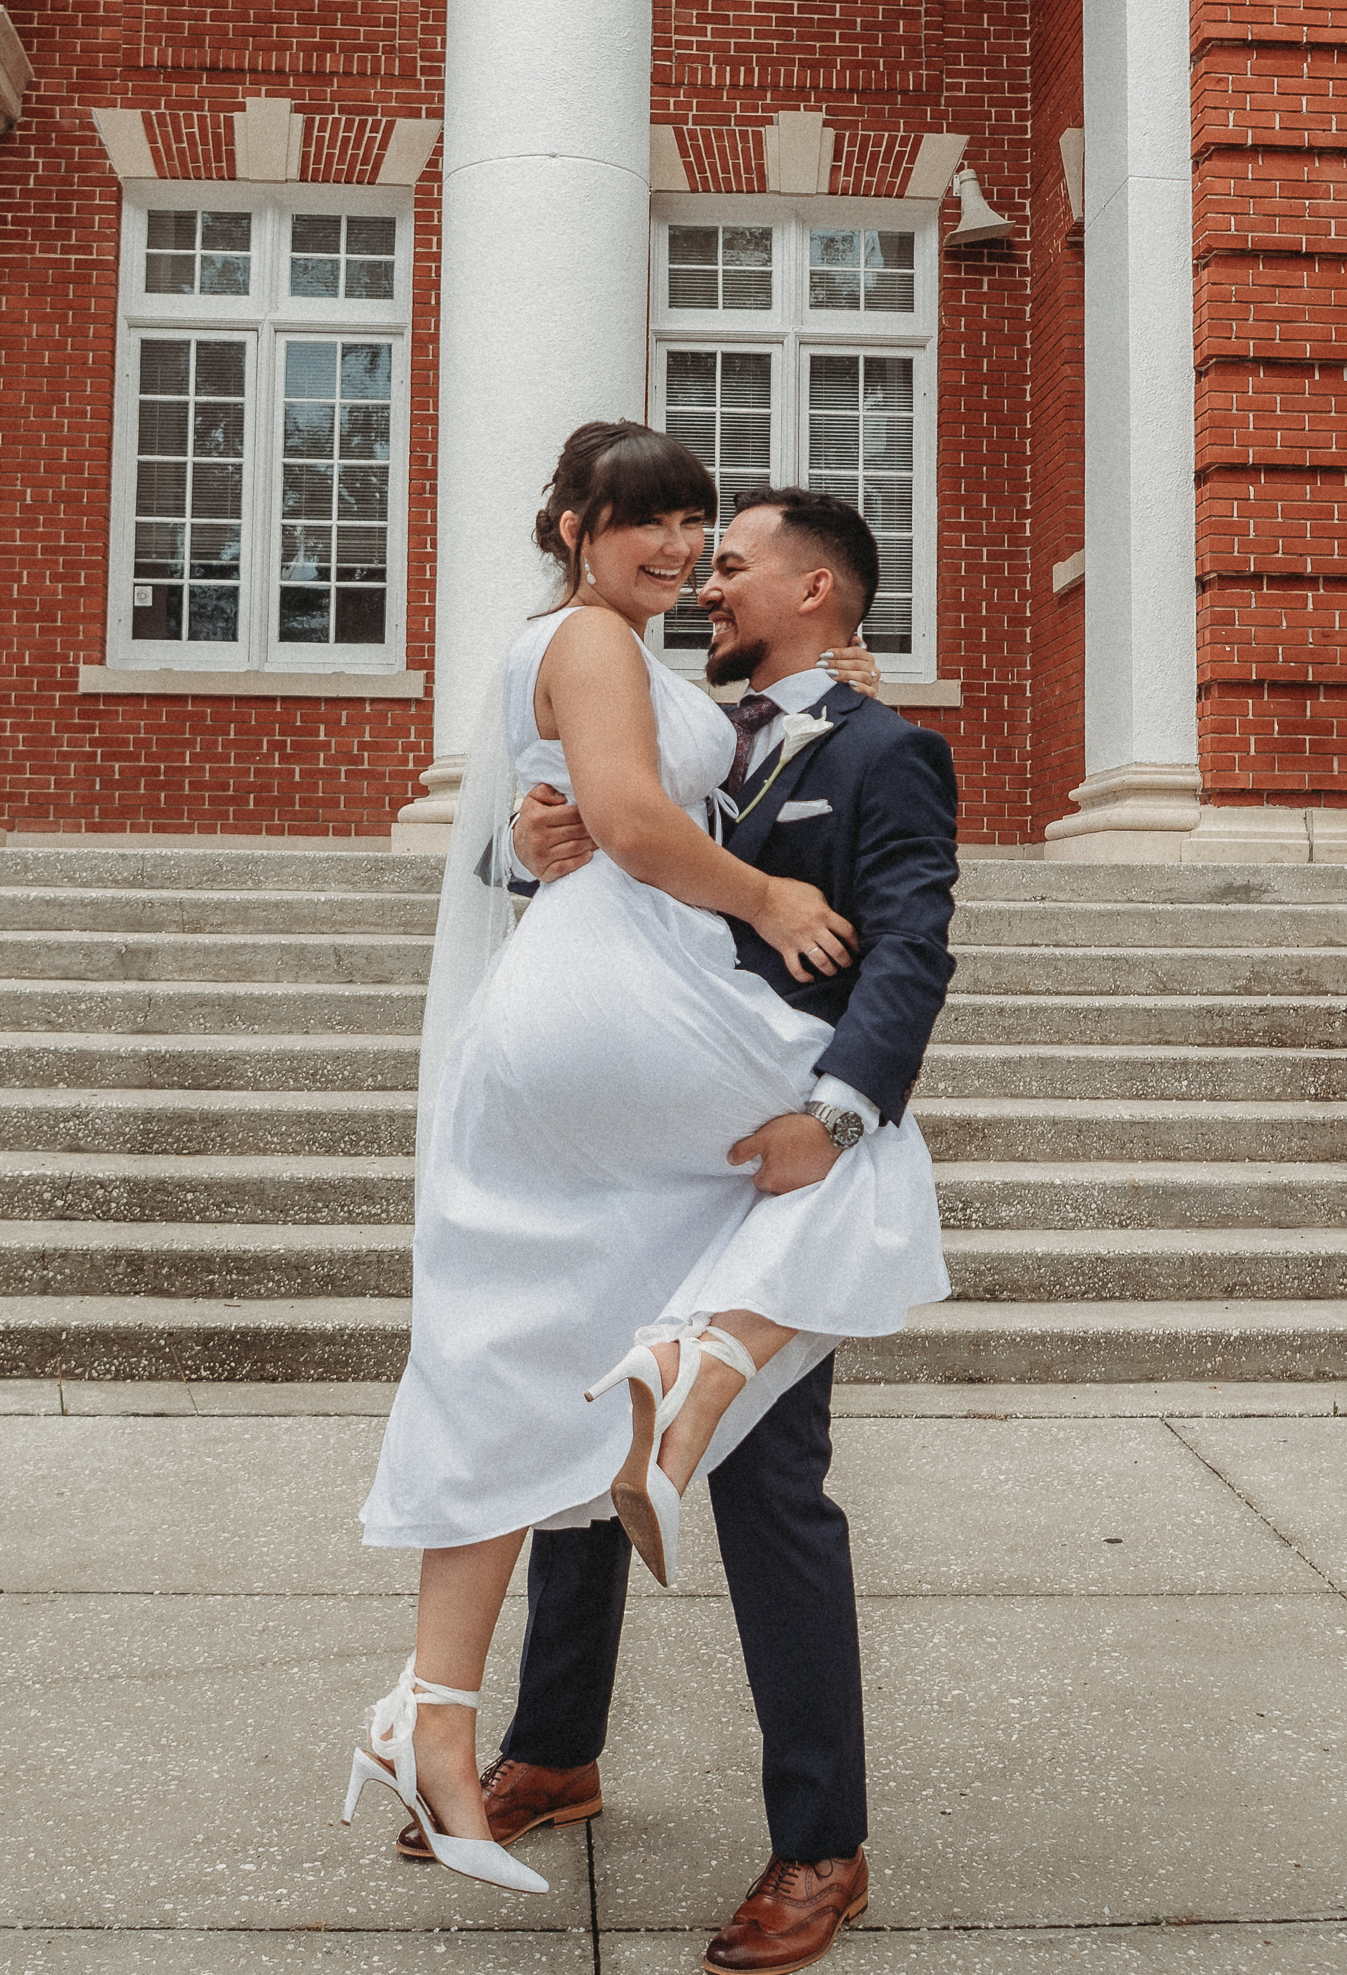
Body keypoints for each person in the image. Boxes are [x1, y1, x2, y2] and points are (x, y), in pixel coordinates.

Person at [347, 425, 954, 1962]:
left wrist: (841, 1107)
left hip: (752, 1136)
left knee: (764, 1492)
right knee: (581, 1396)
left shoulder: (882, 748)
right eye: (676, 532)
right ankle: (555, 1747)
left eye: (725, 546)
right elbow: (594, 845)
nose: (701, 569)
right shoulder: (664, 698)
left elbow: (908, 955)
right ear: (579, 528)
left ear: (819, 590)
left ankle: (822, 1843)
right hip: (647, 1097)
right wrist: (544, 839)